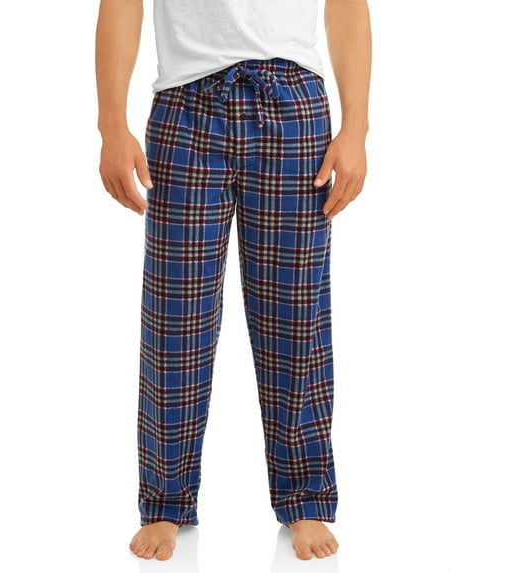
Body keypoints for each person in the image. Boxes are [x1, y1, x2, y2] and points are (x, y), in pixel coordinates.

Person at [95, 0, 371, 562]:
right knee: (176, 319)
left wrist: (357, 127)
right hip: (186, 106)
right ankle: (166, 500)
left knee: (296, 316)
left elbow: (347, 5)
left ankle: (305, 495)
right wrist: (111, 125)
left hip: (292, 103)